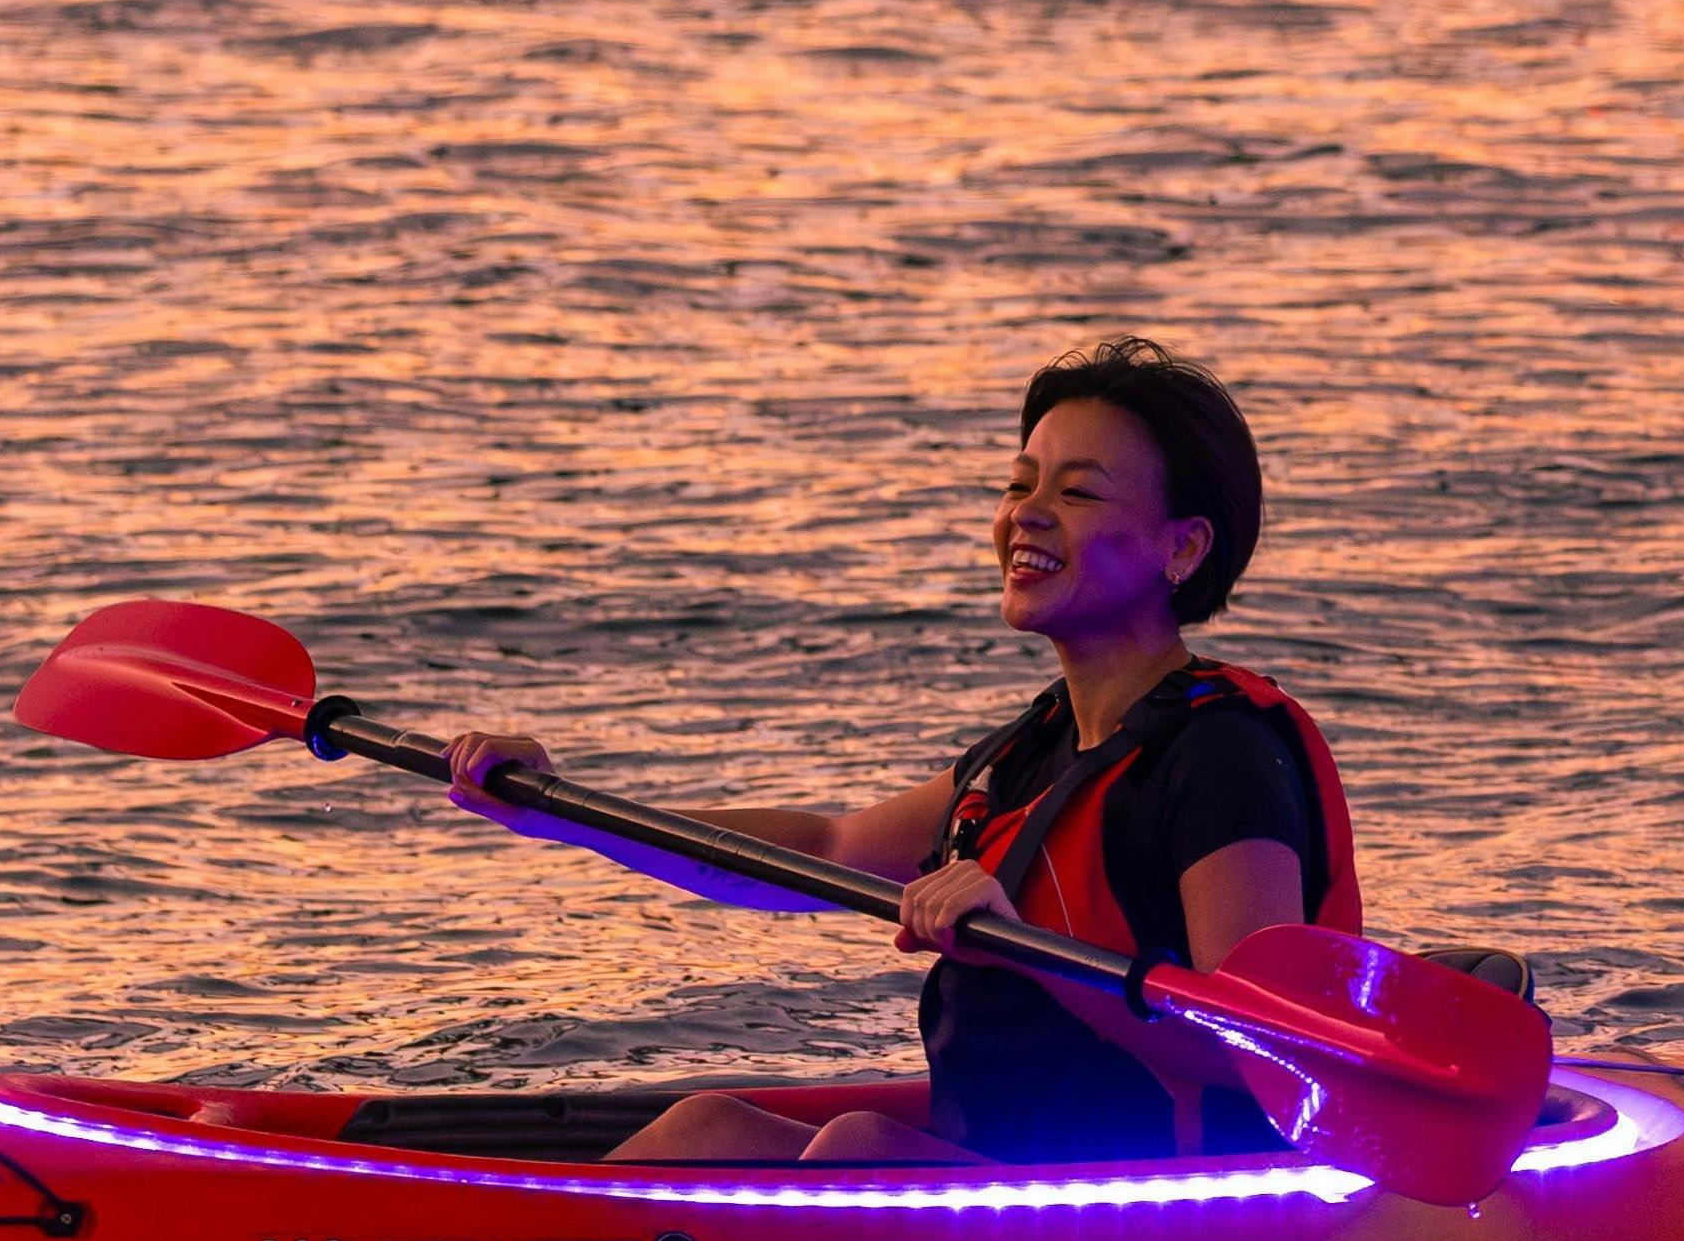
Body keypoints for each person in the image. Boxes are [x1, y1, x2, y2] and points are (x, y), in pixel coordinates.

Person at [446, 342, 1370, 1166]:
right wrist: (561, 810)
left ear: (1183, 548)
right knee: (707, 1127)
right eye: (1020, 484)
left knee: (857, 1146)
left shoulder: (1223, 758)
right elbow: (826, 849)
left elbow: (1263, 1050)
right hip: (1009, 1178)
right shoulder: (1029, 755)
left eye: (1077, 491)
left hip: (1154, 1219)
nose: (1028, 515)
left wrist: (1028, 949)